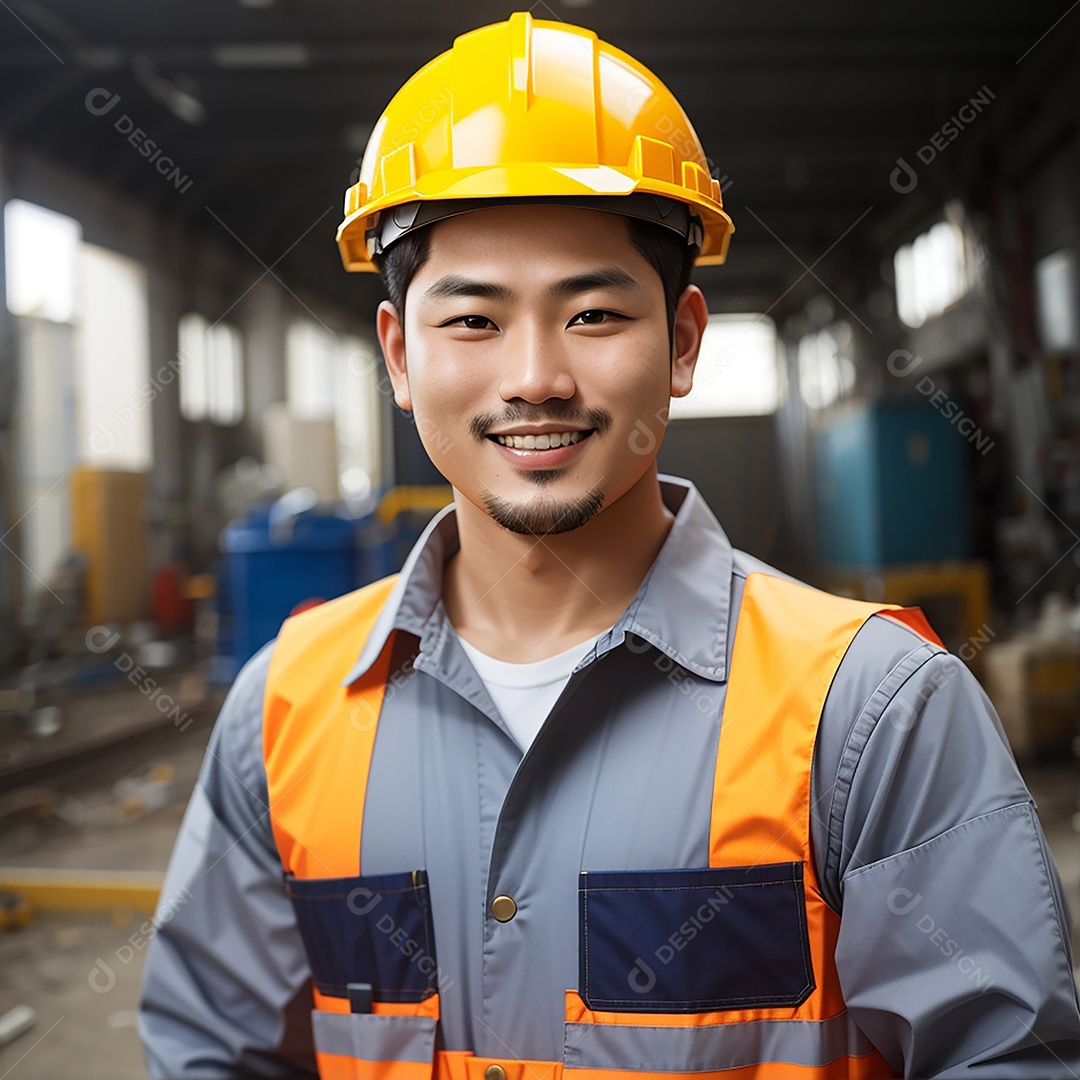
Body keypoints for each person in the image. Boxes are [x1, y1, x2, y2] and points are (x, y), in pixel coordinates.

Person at [139, 12, 1080, 1079]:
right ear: (399, 356)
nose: (535, 375)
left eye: (591, 314)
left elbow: (1009, 1061)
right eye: (473, 320)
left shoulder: (872, 714)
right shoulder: (284, 713)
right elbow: (209, 1052)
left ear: (680, 344)